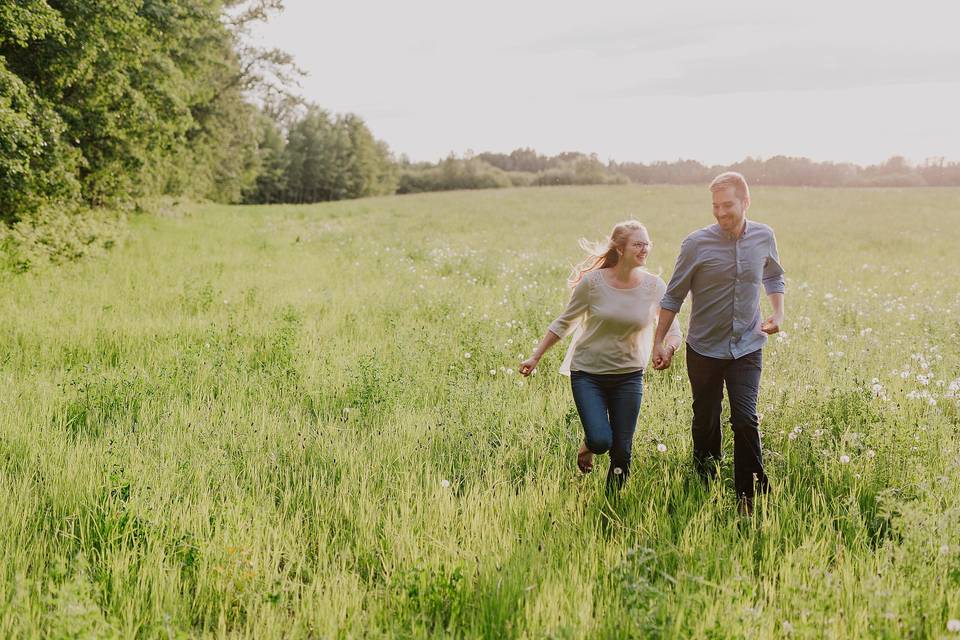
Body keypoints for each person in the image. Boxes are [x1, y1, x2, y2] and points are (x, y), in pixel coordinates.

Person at [651, 172, 785, 515]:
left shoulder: (764, 236)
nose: (722, 212)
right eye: (716, 206)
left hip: (747, 345)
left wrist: (778, 312)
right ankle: (705, 475)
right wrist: (658, 341)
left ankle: (750, 495)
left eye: (728, 205)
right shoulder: (696, 244)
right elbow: (674, 295)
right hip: (705, 348)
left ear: (745, 202)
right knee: (706, 418)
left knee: (745, 418)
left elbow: (772, 274)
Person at [519, 220, 682, 491]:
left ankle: (611, 505)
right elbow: (564, 322)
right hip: (588, 374)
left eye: (647, 244)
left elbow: (673, 329)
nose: (645, 249)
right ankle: (589, 446)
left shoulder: (654, 286)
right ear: (620, 248)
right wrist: (535, 357)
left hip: (629, 376)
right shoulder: (593, 283)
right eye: (638, 244)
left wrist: (668, 348)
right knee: (600, 440)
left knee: (623, 451)